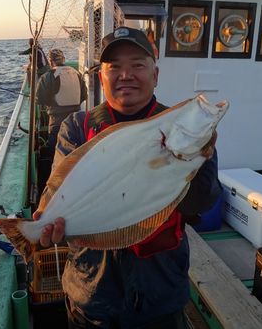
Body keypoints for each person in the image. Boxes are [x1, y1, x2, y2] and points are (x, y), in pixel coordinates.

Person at [34, 26, 222, 328]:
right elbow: (56, 194)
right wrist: (46, 224)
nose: (126, 74)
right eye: (115, 67)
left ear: (155, 75)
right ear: (101, 77)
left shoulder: (182, 125)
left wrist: (200, 163)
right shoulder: (77, 127)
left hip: (160, 294)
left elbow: (199, 204)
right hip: (91, 293)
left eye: (137, 64)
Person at [36, 48, 87, 157]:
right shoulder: (77, 73)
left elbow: (40, 98)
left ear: (50, 61)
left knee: (55, 153)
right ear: (63, 59)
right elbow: (84, 96)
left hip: (56, 121)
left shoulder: (48, 76)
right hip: (75, 120)